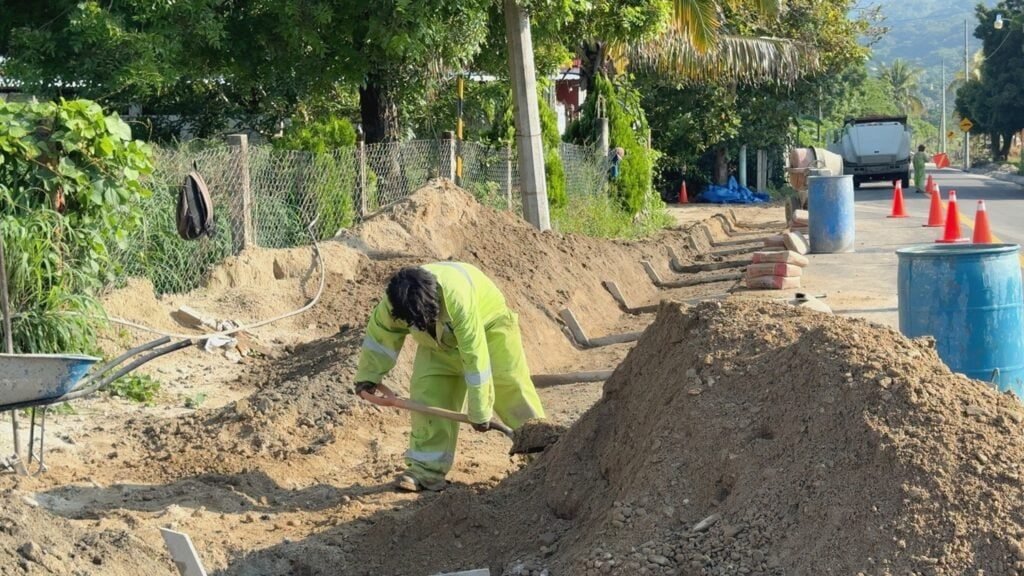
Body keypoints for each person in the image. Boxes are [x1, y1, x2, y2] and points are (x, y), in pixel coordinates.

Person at [353, 262, 545, 492]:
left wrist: (480, 411)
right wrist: (368, 376)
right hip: (437, 345)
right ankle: (425, 471)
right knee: (428, 395)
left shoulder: (457, 299)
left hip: (489, 329)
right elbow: (380, 338)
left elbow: (475, 359)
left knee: (509, 387)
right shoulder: (395, 301)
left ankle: (543, 454)